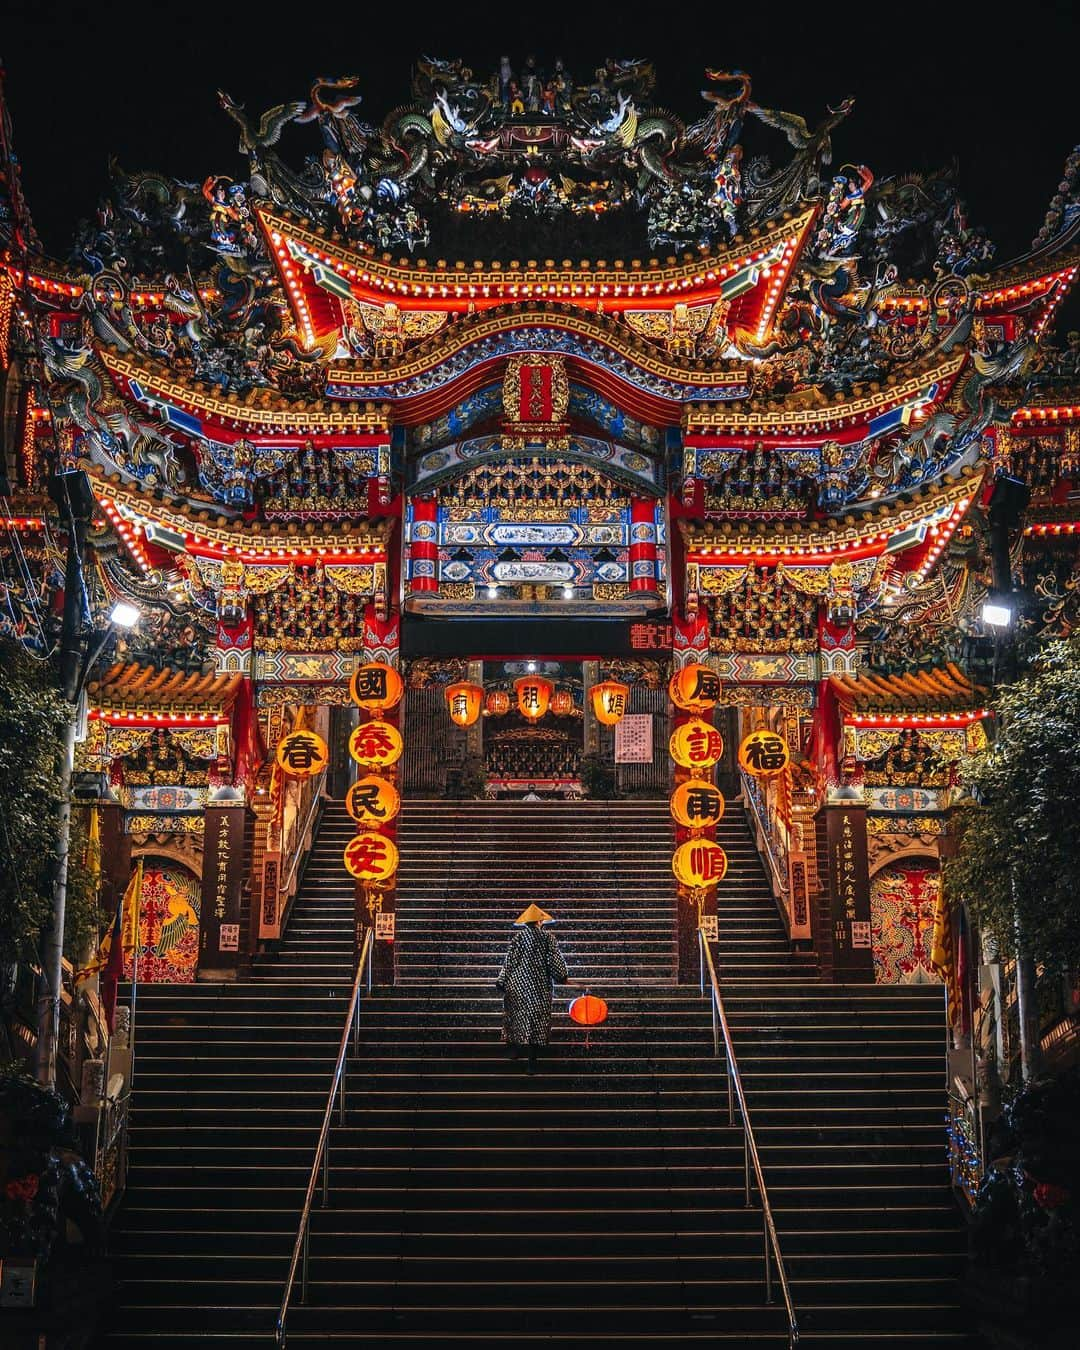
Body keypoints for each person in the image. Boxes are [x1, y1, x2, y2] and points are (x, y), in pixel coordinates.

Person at [496, 904, 569, 1074]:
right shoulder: (548, 938)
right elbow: (554, 961)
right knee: (536, 1021)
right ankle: (531, 1062)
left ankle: (514, 1050)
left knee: (516, 1017)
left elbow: (509, 961)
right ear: (539, 921)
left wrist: (501, 980)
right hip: (539, 985)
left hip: (517, 984)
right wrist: (562, 976)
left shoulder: (518, 938)